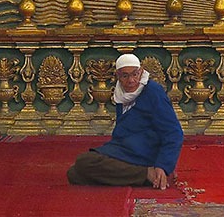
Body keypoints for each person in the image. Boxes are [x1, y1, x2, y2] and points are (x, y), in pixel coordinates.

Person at [67, 53, 183, 189]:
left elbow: (173, 132)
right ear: (118, 76)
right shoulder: (120, 92)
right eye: (125, 76)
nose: (131, 80)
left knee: (84, 162)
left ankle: (146, 174)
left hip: (143, 154)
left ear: (141, 72)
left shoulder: (152, 91)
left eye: (135, 74)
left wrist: (163, 165)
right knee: (74, 174)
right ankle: (135, 175)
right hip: (124, 150)